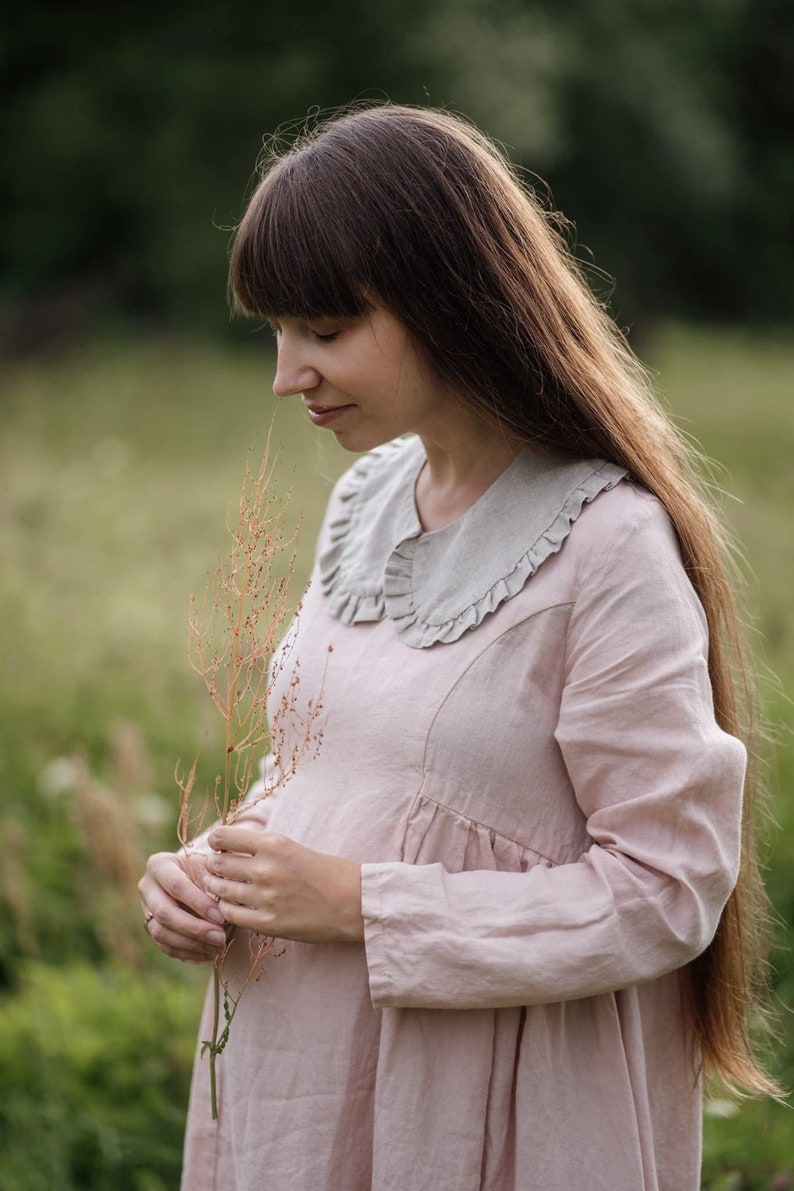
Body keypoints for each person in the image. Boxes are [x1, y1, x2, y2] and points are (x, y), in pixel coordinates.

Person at [138, 104, 777, 1190]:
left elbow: (669, 888)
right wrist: (215, 868)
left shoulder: (605, 545)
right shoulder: (369, 497)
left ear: (450, 303)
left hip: (479, 1108)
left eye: (326, 330)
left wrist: (360, 906)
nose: (286, 375)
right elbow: (334, 768)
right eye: (276, 332)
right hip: (301, 1082)